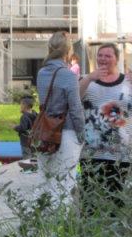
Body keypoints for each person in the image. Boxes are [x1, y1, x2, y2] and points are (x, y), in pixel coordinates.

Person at [78, 43, 132, 210]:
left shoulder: (128, 82)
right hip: (91, 153)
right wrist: (89, 78)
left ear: (117, 59)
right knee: (89, 200)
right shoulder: (87, 80)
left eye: (108, 56)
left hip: (121, 153)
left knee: (117, 201)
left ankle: (115, 228)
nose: (102, 59)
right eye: (100, 55)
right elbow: (74, 100)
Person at [36, 31, 85, 206]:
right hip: (67, 132)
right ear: (68, 51)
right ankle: (59, 222)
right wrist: (82, 135)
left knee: (44, 181)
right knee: (64, 182)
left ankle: (39, 219)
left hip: (45, 132)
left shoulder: (41, 72)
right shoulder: (68, 75)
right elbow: (75, 108)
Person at [10, 96, 38, 160]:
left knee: (26, 155)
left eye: (21, 104)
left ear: (23, 105)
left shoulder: (24, 117)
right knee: (34, 155)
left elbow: (23, 128)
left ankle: (27, 165)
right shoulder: (36, 114)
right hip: (35, 140)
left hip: (26, 141)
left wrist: (15, 127)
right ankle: (35, 165)